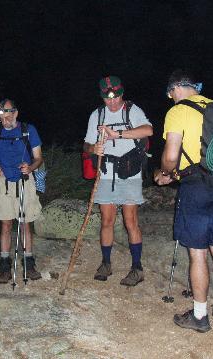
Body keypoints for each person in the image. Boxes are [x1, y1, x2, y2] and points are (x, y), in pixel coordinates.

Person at [154, 70, 213, 332]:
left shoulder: (177, 111)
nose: (171, 98)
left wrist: (164, 173)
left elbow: (170, 157)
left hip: (196, 189)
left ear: (174, 89)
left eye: (170, 94)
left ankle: (200, 316)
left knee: (197, 252)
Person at [83, 76, 153, 286]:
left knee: (130, 220)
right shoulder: (97, 114)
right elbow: (86, 144)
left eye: (116, 97)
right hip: (106, 173)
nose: (112, 102)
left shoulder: (132, 110)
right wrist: (93, 149)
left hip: (130, 172)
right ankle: (106, 263)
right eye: (107, 98)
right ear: (102, 96)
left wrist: (118, 134)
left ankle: (137, 268)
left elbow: (148, 130)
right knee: (107, 220)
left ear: (122, 93)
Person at [0, 98, 44, 284]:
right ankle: (4, 266)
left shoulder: (29, 130)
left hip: (25, 181)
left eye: (7, 116)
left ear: (15, 113)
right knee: (5, 224)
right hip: (3, 182)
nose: (5, 121)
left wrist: (30, 167)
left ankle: (29, 264)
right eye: (1, 117)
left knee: (24, 224)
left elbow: (38, 158)